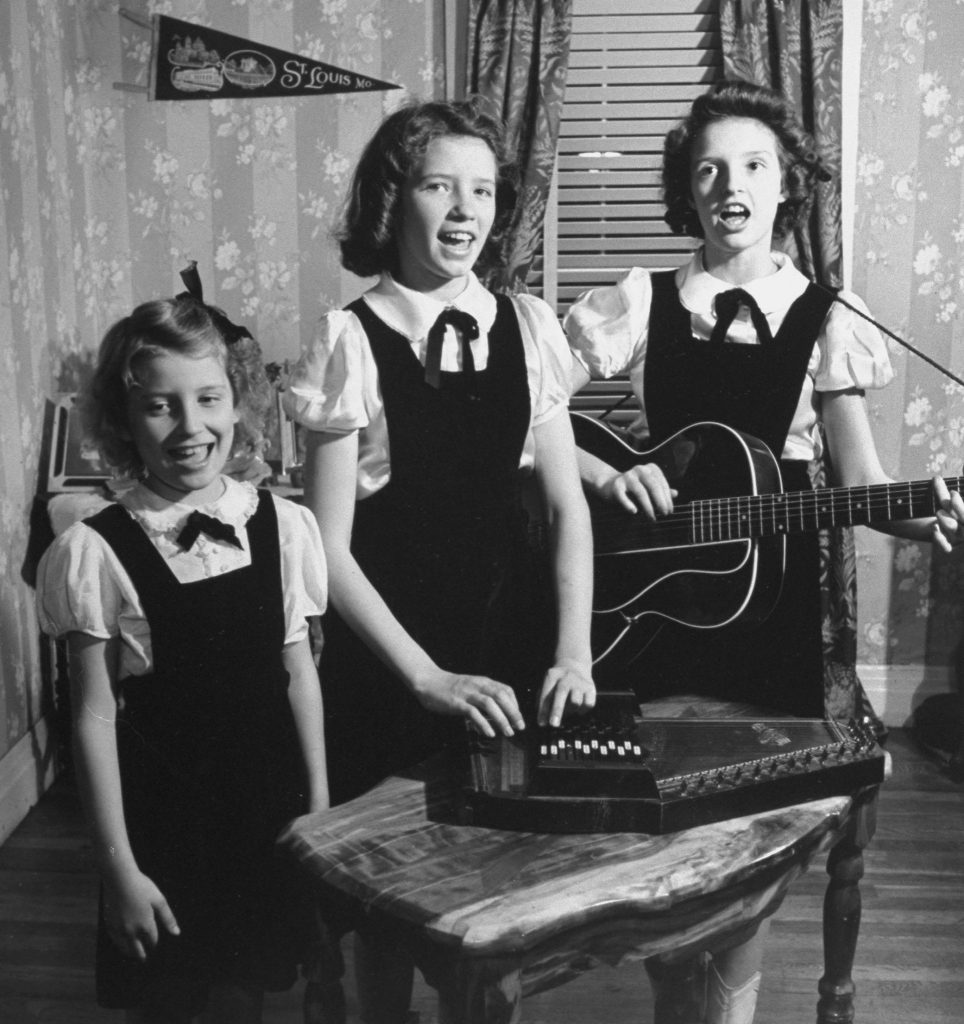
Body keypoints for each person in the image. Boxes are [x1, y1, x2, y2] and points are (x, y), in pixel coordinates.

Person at [563, 78, 963, 1024]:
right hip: (654, 607)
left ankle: (728, 1006)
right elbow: (531, 412)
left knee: (751, 838)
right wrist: (605, 477)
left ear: (787, 184)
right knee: (670, 832)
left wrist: (932, 515)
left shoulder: (828, 315)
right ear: (687, 191)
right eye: (708, 170)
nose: (730, 186)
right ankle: (680, 996)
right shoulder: (642, 300)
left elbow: (862, 482)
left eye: (752, 165)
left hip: (776, 611)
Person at [284, 97, 595, 808]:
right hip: (392, 662)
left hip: (512, 647)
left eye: (482, 191)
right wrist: (425, 677)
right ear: (393, 201)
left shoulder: (528, 326)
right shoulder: (350, 340)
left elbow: (565, 505)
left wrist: (573, 652)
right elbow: (326, 547)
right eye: (438, 187)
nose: (465, 211)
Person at [35, 272, 329, 1024]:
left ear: (238, 403)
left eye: (208, 398)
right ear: (123, 419)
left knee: (246, 994)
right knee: (167, 998)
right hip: (162, 830)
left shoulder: (284, 528)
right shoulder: (95, 550)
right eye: (159, 405)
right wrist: (119, 871)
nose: (189, 426)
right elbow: (93, 717)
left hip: (264, 816)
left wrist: (321, 810)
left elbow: (298, 673)